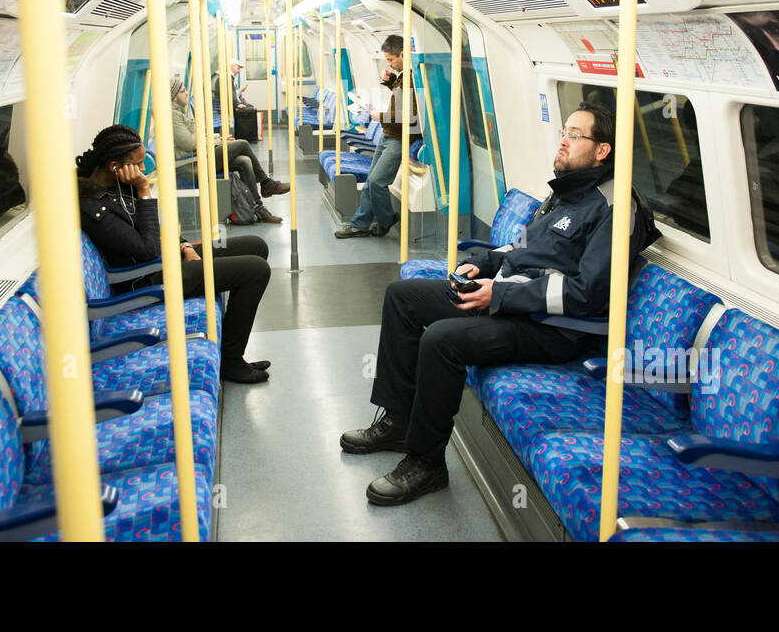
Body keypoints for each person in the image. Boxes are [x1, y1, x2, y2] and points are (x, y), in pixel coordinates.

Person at [340, 102, 650, 505]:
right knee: (403, 297)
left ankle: (427, 462)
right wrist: (481, 263)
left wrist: (500, 294)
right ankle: (398, 420)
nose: (563, 140)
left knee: (442, 339)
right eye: (564, 131)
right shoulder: (568, 193)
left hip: (554, 328)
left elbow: (586, 293)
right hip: (508, 299)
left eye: (575, 135)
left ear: (602, 150)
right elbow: (523, 248)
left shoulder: (615, 208)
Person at [76, 124, 273, 383]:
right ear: (116, 166)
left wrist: (185, 246)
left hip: (167, 259)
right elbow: (145, 250)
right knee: (255, 271)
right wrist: (144, 192)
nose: (143, 169)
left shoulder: (119, 187)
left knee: (256, 245)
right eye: (138, 163)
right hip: (149, 279)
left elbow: (159, 227)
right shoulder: (94, 208)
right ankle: (231, 360)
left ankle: (229, 348)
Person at [334, 35, 419, 238]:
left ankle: (385, 220)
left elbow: (408, 116)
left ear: (402, 54)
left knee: (376, 182)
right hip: (388, 135)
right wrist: (389, 83)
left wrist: (377, 116)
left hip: (399, 139)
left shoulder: (413, 79)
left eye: (391, 59)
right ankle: (360, 224)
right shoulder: (402, 77)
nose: (389, 64)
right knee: (371, 182)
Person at [170, 76, 286, 223]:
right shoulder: (172, 116)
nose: (186, 93)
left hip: (200, 156)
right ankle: (266, 183)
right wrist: (217, 140)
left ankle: (259, 208)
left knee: (244, 160)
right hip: (192, 164)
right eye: (182, 91)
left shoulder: (180, 113)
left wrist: (219, 139)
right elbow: (189, 143)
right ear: (174, 97)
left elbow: (199, 135)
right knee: (242, 144)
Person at [213, 59, 258, 143]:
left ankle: (246, 135)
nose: (239, 70)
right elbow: (230, 93)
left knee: (249, 107)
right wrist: (237, 104)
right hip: (224, 105)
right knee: (247, 110)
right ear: (232, 67)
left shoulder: (228, 77)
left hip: (226, 103)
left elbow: (232, 93)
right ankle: (246, 136)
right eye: (238, 68)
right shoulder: (227, 77)